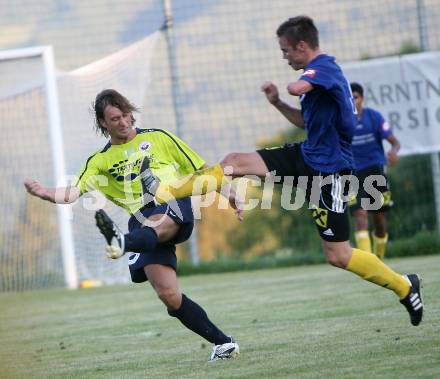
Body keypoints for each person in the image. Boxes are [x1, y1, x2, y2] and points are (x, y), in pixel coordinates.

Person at [139, 16, 423, 326]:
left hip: (331, 173)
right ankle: (164, 190)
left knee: (338, 255)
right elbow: (305, 121)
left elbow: (297, 86)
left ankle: (405, 286)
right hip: (307, 157)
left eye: (286, 51)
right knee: (235, 161)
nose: (284, 56)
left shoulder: (324, 67)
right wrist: (276, 102)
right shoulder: (318, 77)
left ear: (303, 46)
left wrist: (292, 86)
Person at [24, 89, 240, 361]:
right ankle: (224, 344)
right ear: (103, 123)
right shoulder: (100, 161)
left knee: (156, 219)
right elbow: (72, 193)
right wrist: (44, 192)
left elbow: (200, 168)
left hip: (172, 200)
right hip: (140, 219)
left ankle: (123, 242)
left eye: (126, 115)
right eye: (115, 118)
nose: (124, 122)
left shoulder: (158, 137)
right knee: (168, 294)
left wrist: (227, 192)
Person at [349, 82, 400, 260]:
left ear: (362, 98)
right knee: (360, 215)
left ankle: (379, 258)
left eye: (355, 97)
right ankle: (368, 263)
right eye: (349, 98)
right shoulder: (342, 120)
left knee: (379, 219)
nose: (352, 101)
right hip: (352, 174)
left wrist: (393, 152)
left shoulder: (375, 117)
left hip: (375, 172)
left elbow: (395, 142)